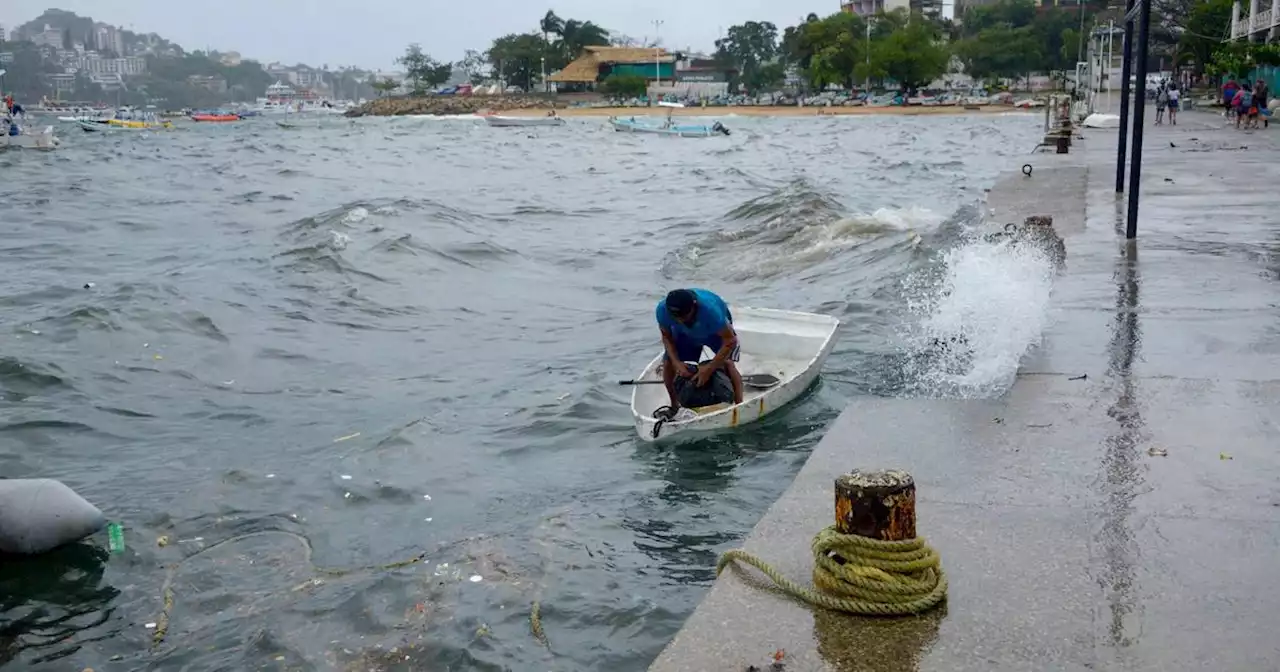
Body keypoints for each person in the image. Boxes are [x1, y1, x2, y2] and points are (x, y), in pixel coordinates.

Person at [655, 288, 744, 412]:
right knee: (668, 363)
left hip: (712, 331)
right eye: (676, 318)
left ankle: (739, 405)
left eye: (684, 316)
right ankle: (674, 405)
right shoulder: (662, 310)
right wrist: (677, 364)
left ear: (694, 306)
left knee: (727, 363)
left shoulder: (711, 312)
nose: (681, 320)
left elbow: (730, 341)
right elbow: (666, 337)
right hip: (683, 333)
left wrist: (708, 369)